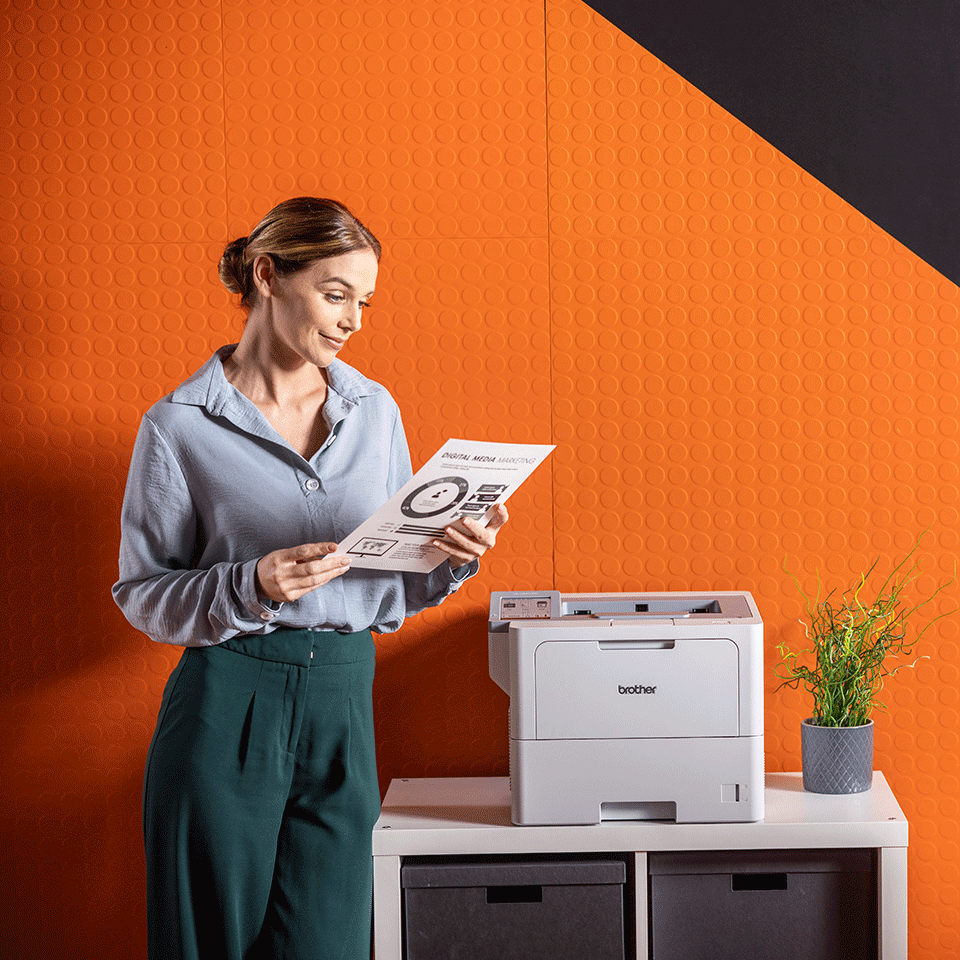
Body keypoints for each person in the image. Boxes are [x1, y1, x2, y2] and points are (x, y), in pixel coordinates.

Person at [112, 197, 507, 960]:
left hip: (343, 704)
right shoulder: (179, 424)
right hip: (227, 702)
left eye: (363, 301)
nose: (353, 320)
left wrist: (452, 553)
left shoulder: (374, 410)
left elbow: (390, 583)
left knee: (331, 943)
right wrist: (249, 583)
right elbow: (142, 593)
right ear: (268, 275)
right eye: (335, 294)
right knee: (211, 943)